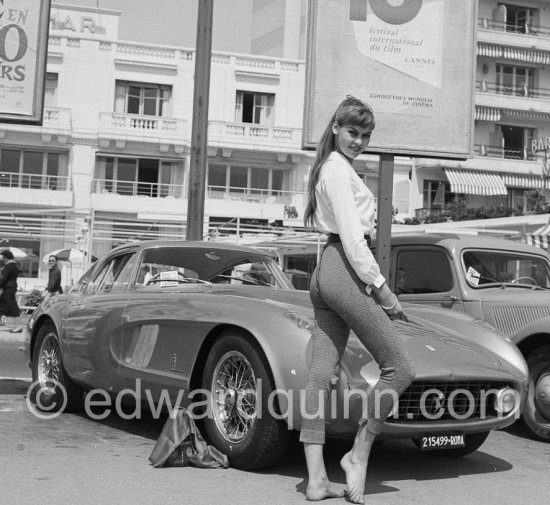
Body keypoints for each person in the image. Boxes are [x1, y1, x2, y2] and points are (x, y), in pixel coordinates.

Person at [300, 96, 416, 503]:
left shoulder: (335, 168)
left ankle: (316, 480)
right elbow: (352, 239)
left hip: (327, 269)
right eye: (353, 132)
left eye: (365, 135)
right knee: (400, 368)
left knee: (320, 374)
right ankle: (359, 453)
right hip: (342, 268)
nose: (359, 141)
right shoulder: (336, 170)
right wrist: (382, 289)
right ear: (336, 127)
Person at [0, 249, 23, 333]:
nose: (3, 260)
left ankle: (19, 325)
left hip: (9, 288)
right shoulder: (14, 265)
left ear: (6, 257)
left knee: (12, 305)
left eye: (3, 258)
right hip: (10, 287)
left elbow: (4, 278)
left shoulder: (9, 266)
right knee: (2, 304)